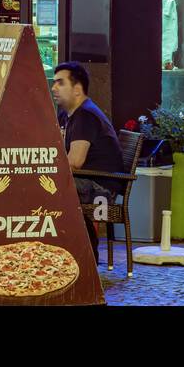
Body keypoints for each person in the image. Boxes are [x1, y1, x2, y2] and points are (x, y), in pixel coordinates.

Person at [50, 61, 123, 262]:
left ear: (77, 89)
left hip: (100, 186)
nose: (53, 87)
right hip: (87, 181)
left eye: (60, 83)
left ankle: (82, 256)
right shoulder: (68, 114)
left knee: (44, 188)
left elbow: (74, 162)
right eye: (54, 82)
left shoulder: (85, 116)